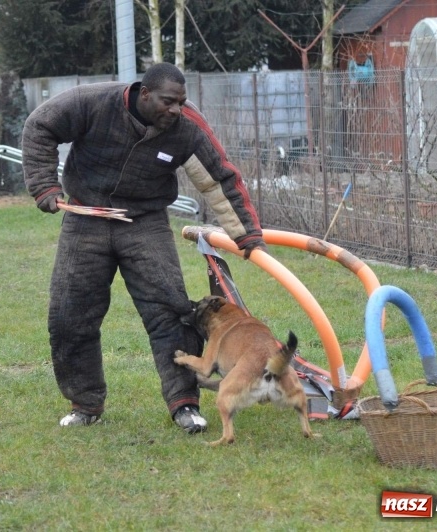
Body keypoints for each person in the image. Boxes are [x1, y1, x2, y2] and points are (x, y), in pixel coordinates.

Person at [22, 62, 266, 433]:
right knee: (70, 315)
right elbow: (39, 126)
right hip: (85, 218)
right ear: (144, 93)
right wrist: (44, 186)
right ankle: (84, 404)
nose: (175, 110)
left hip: (145, 221)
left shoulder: (186, 129)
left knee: (172, 312)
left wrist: (247, 237)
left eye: (181, 103)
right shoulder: (92, 103)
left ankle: (185, 404)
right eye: (168, 102)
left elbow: (219, 180)